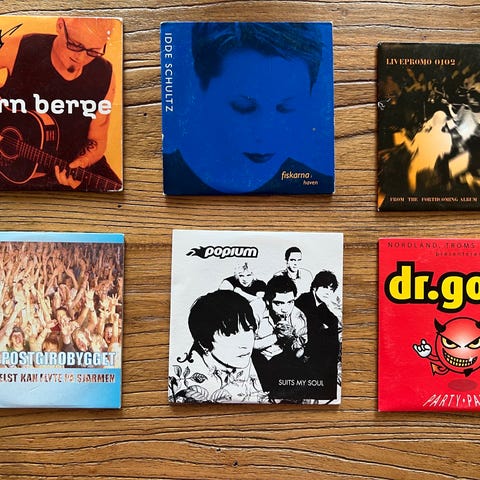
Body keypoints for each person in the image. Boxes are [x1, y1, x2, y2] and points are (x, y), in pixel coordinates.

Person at [163, 22, 334, 194]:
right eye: (243, 107)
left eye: (286, 108)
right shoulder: (162, 176)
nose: (266, 133)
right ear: (198, 87)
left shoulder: (319, 187)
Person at [0, 17, 121, 191]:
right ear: (60, 26)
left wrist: (84, 161)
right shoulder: (22, 48)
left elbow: (97, 140)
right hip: (9, 169)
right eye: (75, 45)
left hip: (70, 168)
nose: (81, 57)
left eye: (93, 51)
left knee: (120, 195)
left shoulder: (104, 75)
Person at [168, 290, 267, 403]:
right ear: (204, 342)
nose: (245, 344)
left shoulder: (261, 364)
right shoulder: (181, 383)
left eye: (248, 329)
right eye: (230, 335)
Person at [251, 275, 309, 401]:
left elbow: (299, 353)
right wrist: (276, 337)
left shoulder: (298, 316)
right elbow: (246, 344)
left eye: (290, 302)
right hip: (256, 358)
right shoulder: (255, 309)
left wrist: (292, 340)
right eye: (279, 303)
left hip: (283, 359)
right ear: (268, 301)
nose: (285, 309)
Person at [295, 270, 341, 399]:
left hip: (313, 347)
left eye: (331, 289)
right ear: (315, 287)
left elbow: (333, 322)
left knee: (331, 337)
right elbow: (310, 327)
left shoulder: (321, 305)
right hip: (299, 344)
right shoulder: (304, 299)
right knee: (325, 338)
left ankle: (327, 386)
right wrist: (322, 327)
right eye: (325, 287)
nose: (328, 292)